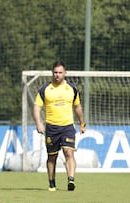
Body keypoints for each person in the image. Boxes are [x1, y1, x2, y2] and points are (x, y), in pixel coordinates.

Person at [33, 60, 86, 192]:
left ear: (65, 73)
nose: (57, 75)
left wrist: (82, 123)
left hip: (67, 126)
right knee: (52, 157)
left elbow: (77, 106)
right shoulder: (45, 89)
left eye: (60, 72)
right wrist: (39, 123)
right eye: (55, 72)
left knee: (69, 152)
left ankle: (71, 179)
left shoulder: (71, 89)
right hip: (51, 127)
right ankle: (52, 183)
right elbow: (36, 107)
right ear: (52, 73)